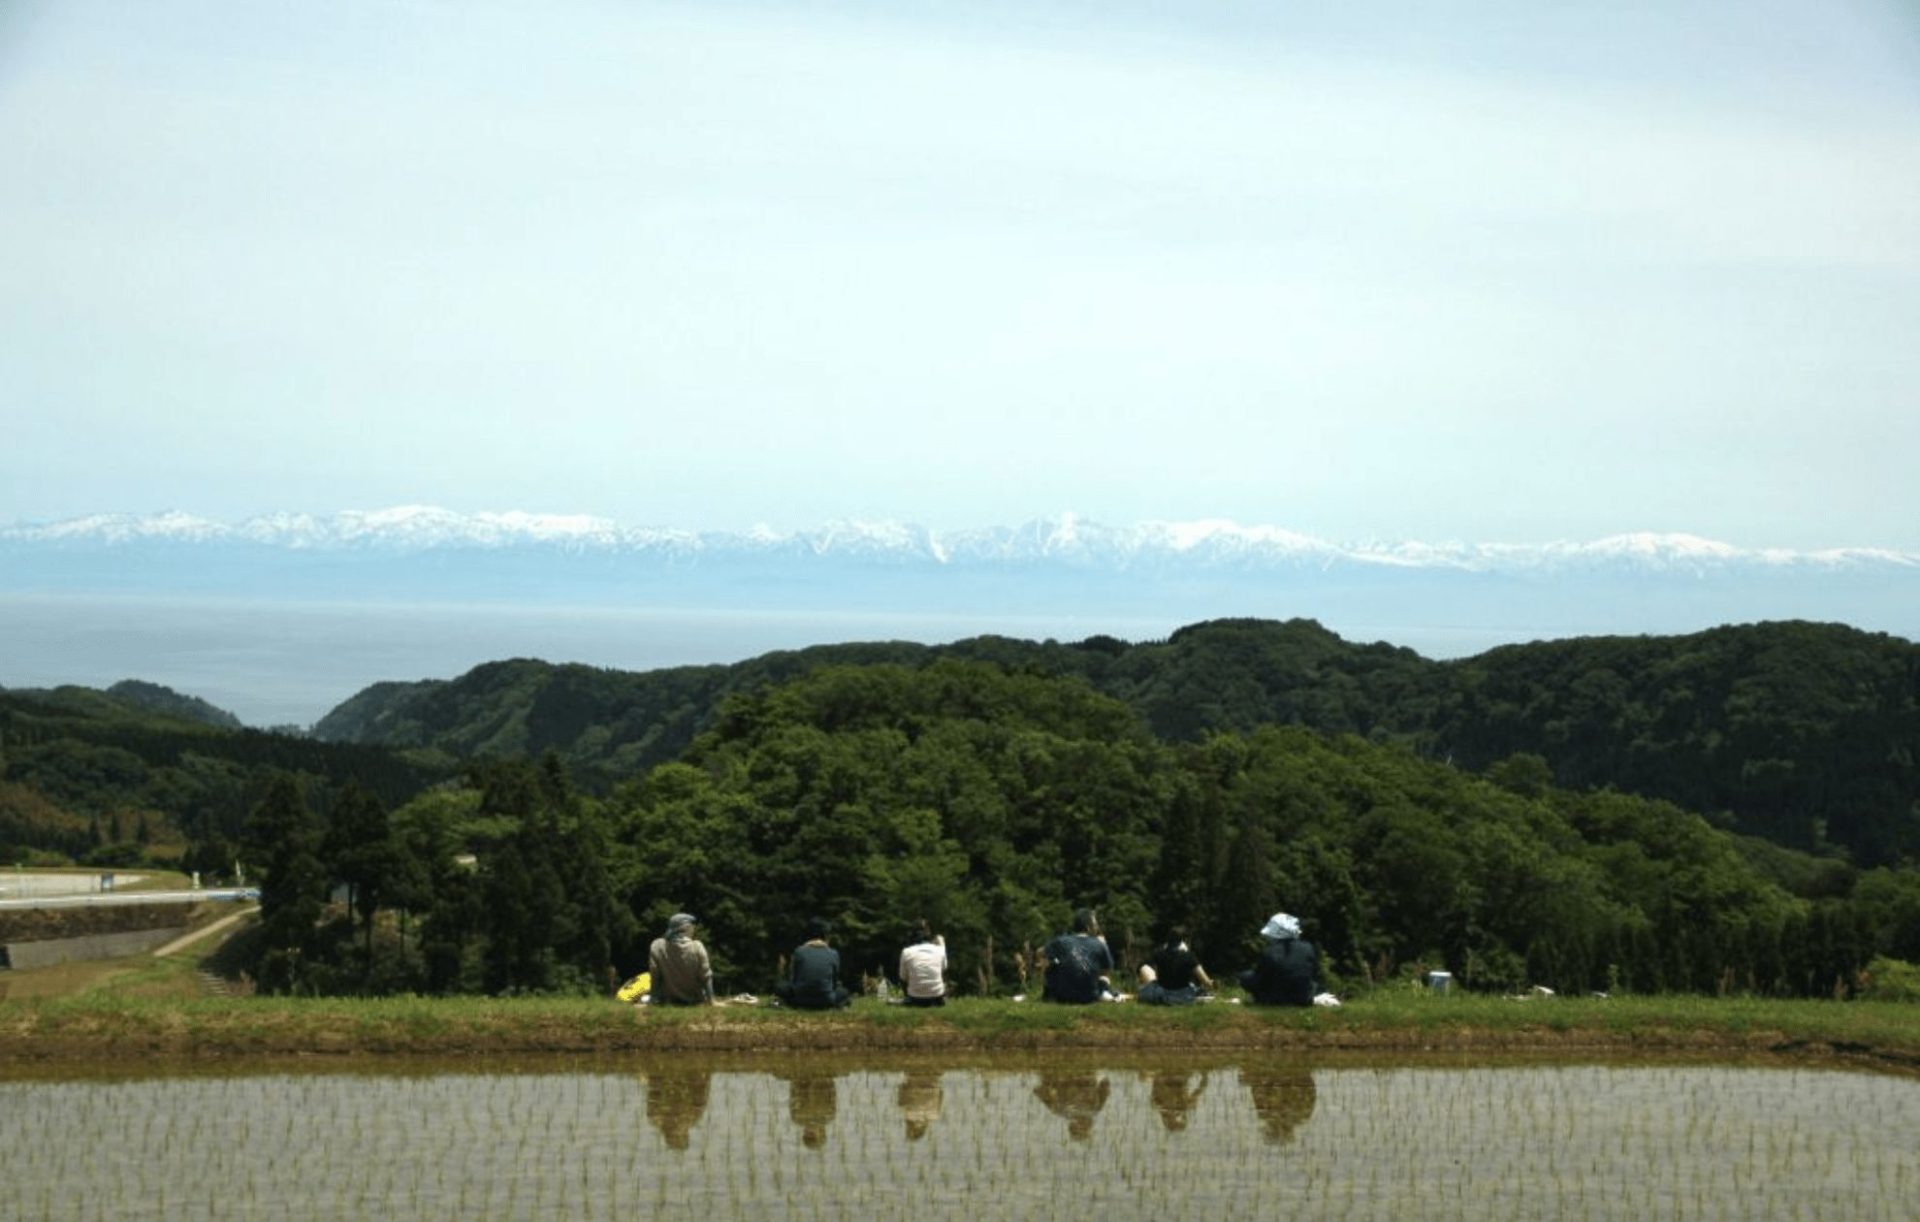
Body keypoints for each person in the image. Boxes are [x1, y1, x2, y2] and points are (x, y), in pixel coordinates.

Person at [1239, 912, 1318, 1006]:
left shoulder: (1269, 952)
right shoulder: (1308, 948)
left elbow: (1259, 979)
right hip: (1304, 1000)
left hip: (1273, 999)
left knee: (1245, 976)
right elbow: (1313, 974)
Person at [1042, 908, 1115, 1003]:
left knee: (1050, 967)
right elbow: (1107, 969)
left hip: (1062, 996)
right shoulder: (1099, 944)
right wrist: (1104, 946)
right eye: (1095, 924)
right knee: (1105, 977)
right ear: (1088, 927)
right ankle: (1101, 994)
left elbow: (1041, 953)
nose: (1097, 927)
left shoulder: (1061, 941)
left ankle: (1048, 995)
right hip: (1090, 996)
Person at [776, 917, 851, 1009]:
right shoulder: (833, 953)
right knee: (844, 992)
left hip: (800, 1000)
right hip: (826, 1000)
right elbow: (834, 982)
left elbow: (793, 979)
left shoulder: (799, 951)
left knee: (781, 987)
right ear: (826, 935)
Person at [1135, 926, 1214, 1005]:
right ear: (1182, 941)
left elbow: (1142, 965)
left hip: (1163, 992)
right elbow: (1205, 980)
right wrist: (1211, 983)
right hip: (1184, 995)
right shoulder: (1189, 956)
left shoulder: (1159, 954)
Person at [648, 912, 714, 1005]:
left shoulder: (657, 946)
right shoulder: (697, 946)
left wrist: (653, 999)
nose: (693, 929)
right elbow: (706, 976)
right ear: (687, 928)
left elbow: (655, 976)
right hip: (694, 1001)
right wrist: (711, 1000)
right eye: (692, 926)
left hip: (667, 1001)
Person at [898, 919, 948, 1007]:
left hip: (915, 999)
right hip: (937, 999)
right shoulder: (939, 950)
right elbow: (944, 968)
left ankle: (907, 998)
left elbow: (903, 977)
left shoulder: (906, 952)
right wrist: (941, 943)